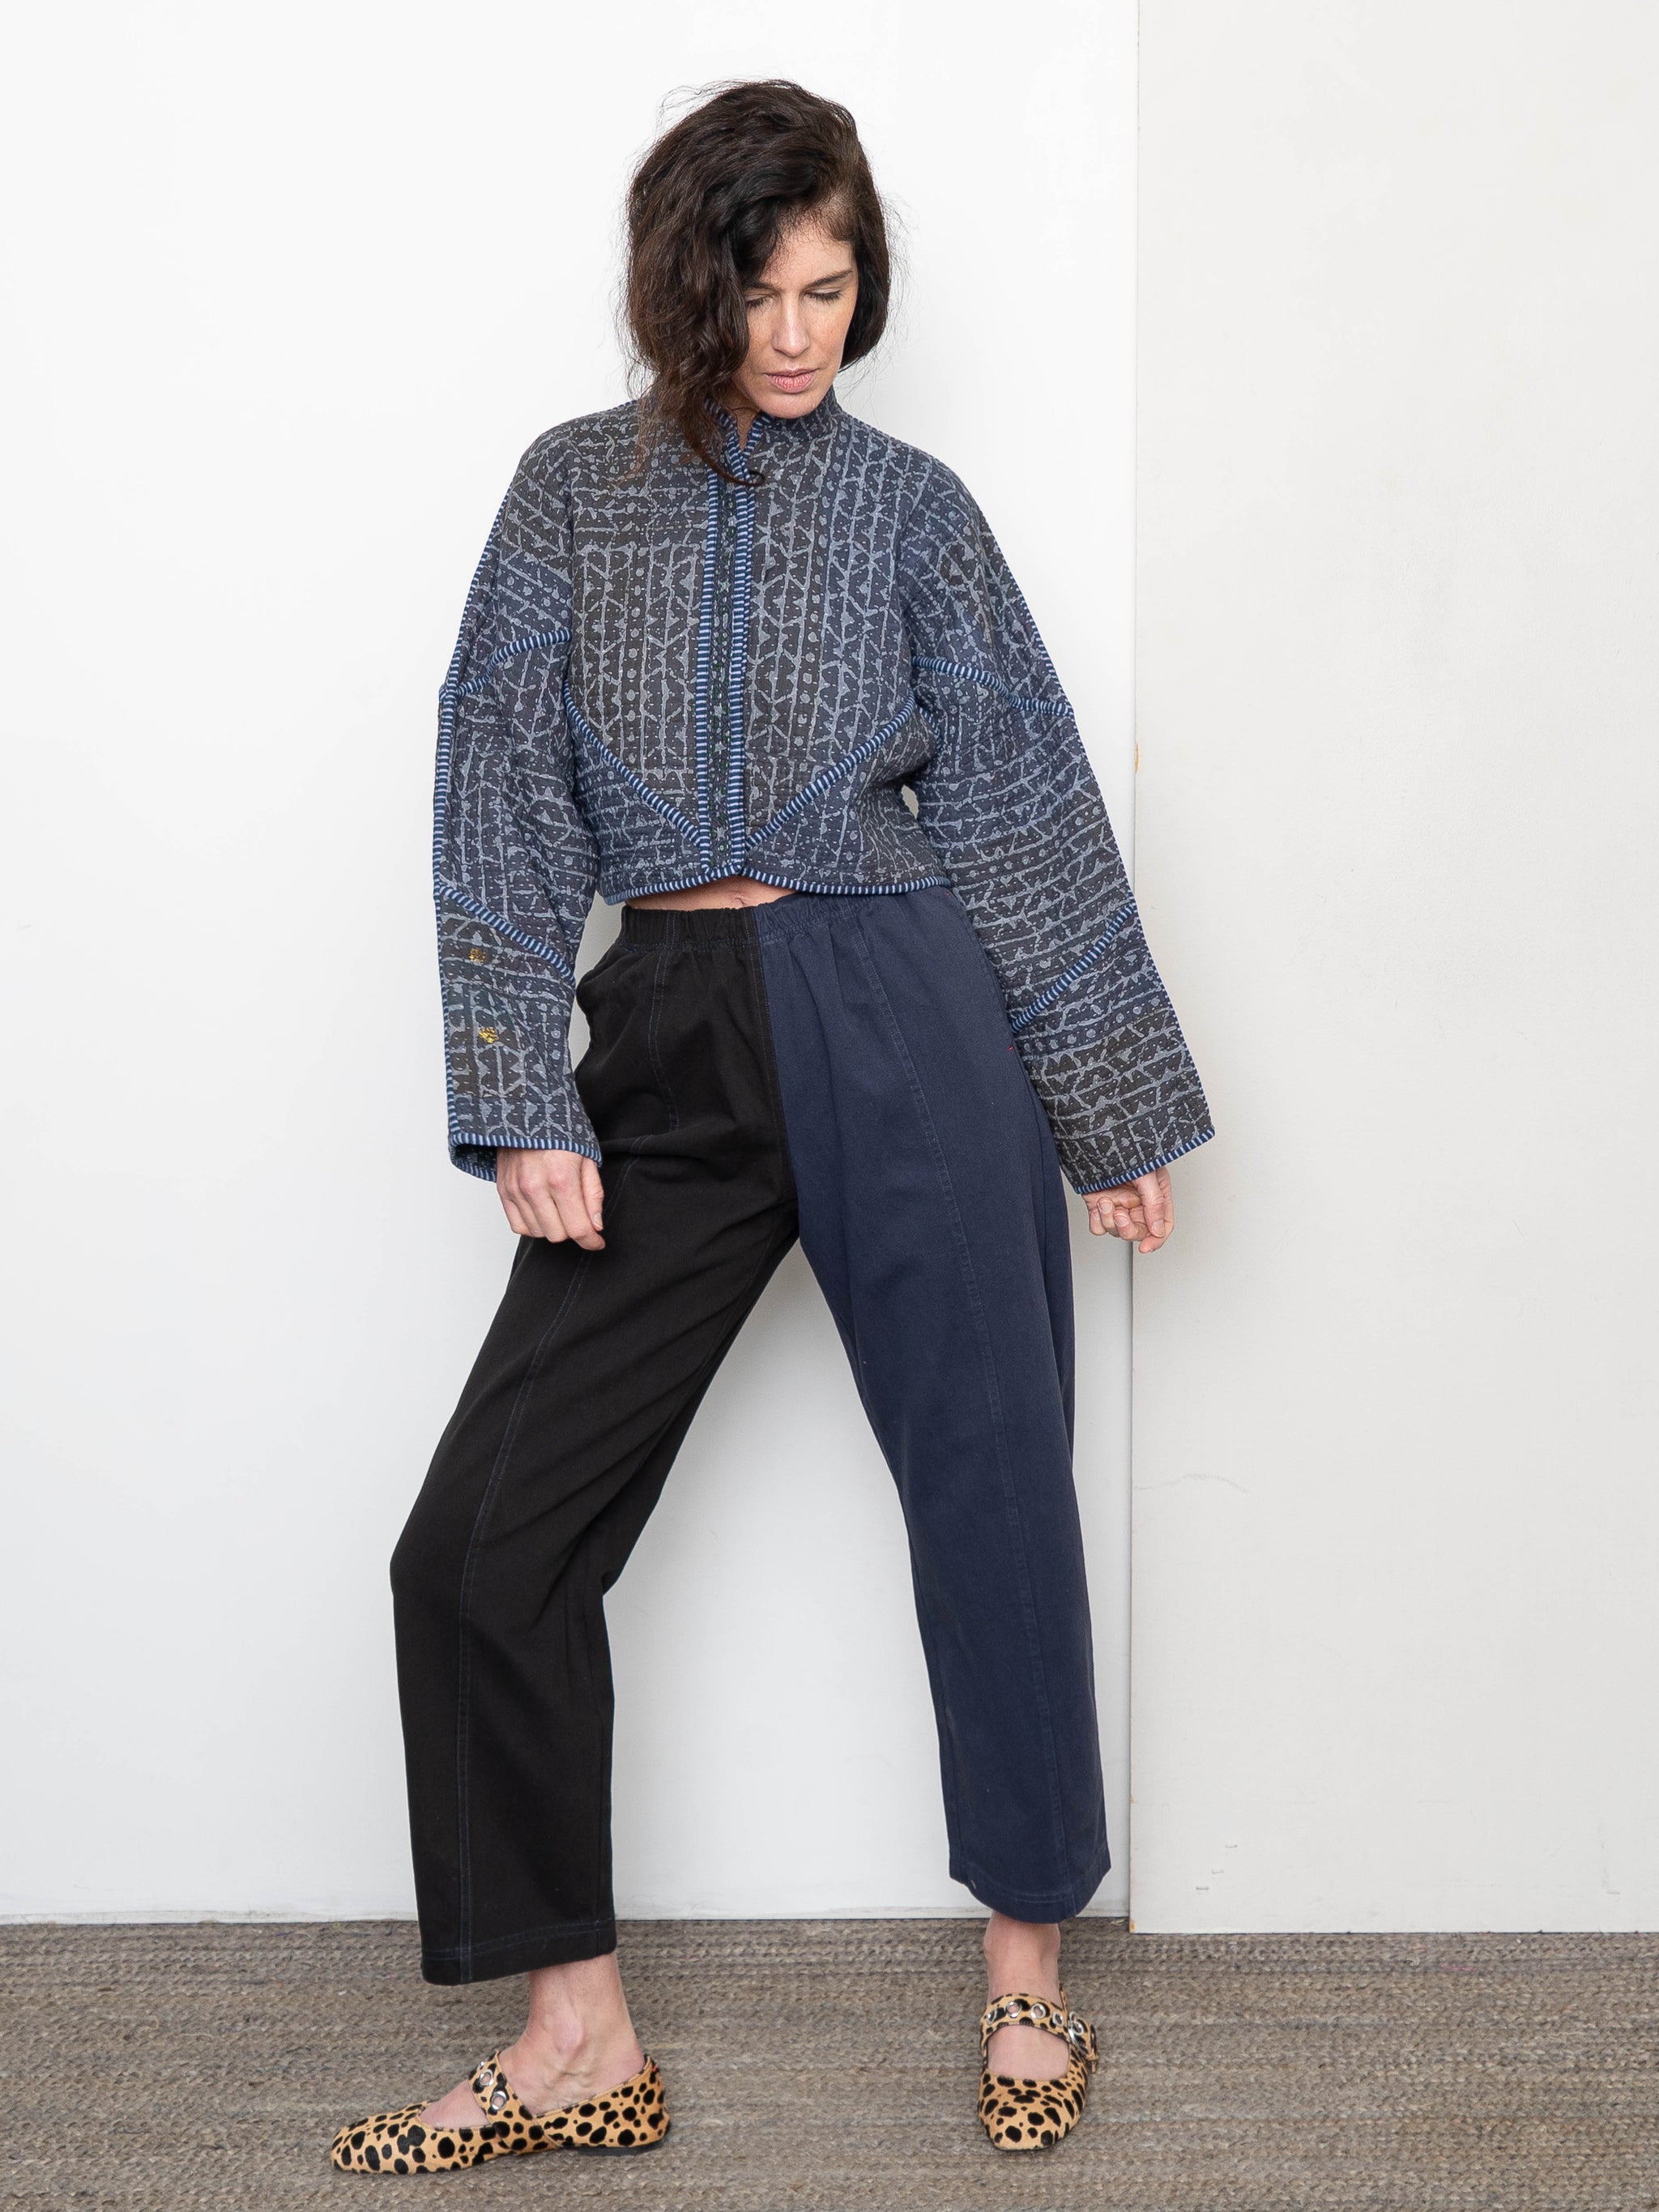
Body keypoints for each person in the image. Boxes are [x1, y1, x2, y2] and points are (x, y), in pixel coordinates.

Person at [331, 78, 1211, 2176]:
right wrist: (514, 1089)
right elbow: (496, 787)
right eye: (762, 293)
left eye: (831, 289)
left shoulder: (914, 508)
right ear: (685, 285)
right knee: (482, 1543)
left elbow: (1021, 800)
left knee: (994, 1497)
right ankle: (577, 2038)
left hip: (909, 1012)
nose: (799, 334)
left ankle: (1027, 1975)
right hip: (669, 1038)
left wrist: (1105, 1102)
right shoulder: (569, 492)